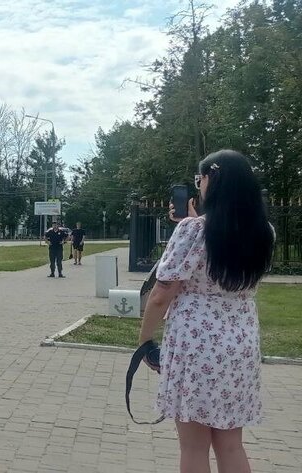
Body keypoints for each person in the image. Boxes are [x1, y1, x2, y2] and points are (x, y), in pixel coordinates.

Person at [137, 150, 274, 473]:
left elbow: (162, 293)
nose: (198, 186)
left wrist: (144, 340)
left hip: (196, 344)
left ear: (211, 180)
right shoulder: (264, 231)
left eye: (200, 180)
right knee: (230, 443)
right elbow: (222, 240)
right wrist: (187, 222)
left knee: (194, 445)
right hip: (241, 342)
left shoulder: (193, 230)